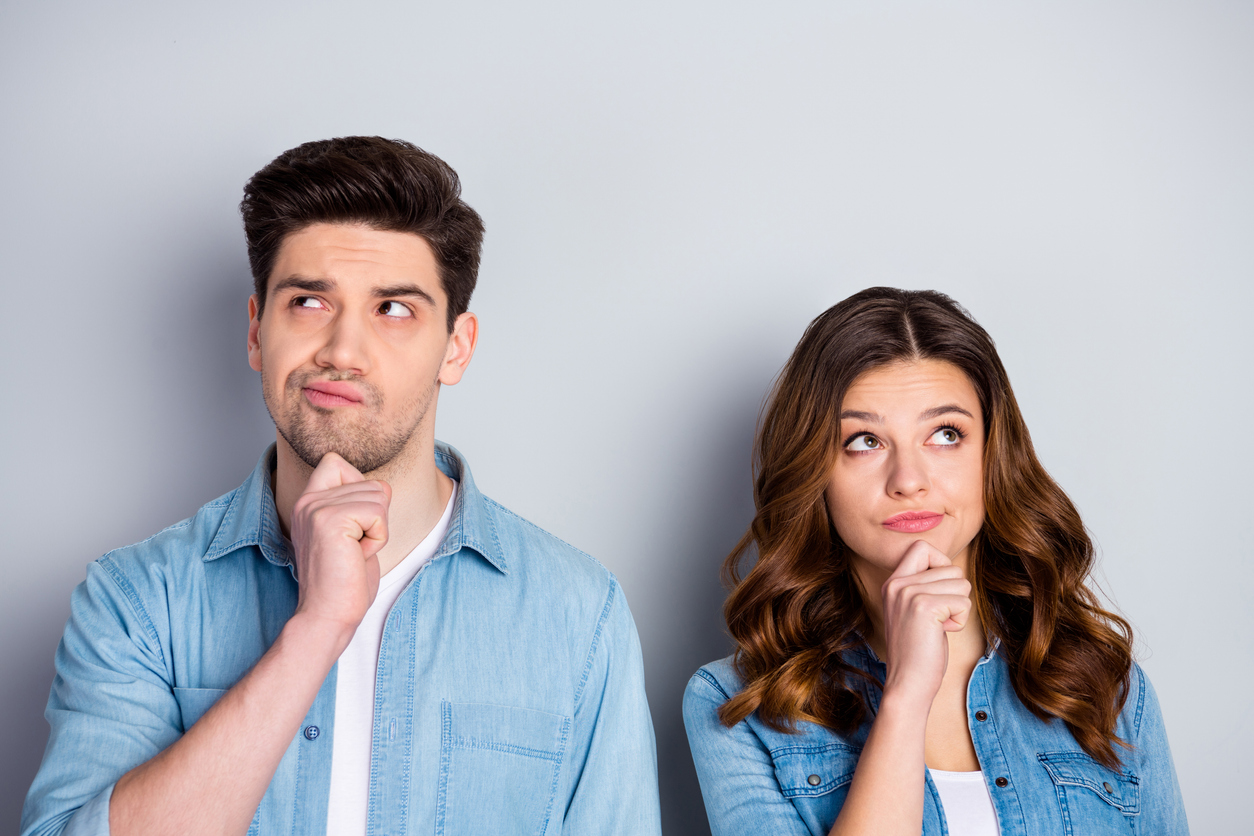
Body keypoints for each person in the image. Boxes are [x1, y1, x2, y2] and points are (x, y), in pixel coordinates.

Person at [22, 136, 661, 836]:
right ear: (256, 332)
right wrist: (316, 630)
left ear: (456, 348)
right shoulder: (139, 600)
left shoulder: (577, 613)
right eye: (308, 302)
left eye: (394, 309)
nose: (343, 351)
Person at [682, 287, 1187, 836]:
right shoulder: (738, 706)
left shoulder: (1103, 687)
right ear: (814, 471)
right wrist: (906, 694)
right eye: (864, 441)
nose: (909, 480)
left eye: (946, 435)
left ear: (993, 455)